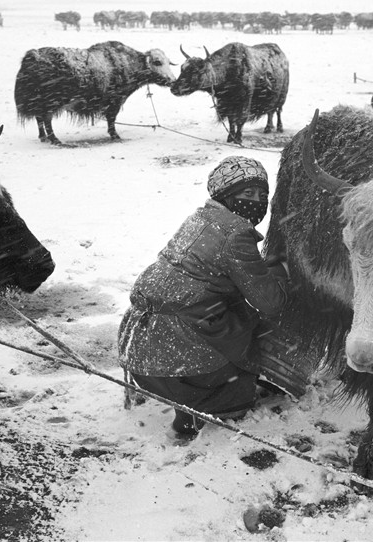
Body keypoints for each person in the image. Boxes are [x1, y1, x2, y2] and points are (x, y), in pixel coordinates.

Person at [118, 155, 289, 437]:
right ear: (226, 194)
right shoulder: (235, 234)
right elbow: (270, 303)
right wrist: (279, 265)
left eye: (262, 194)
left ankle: (177, 389)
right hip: (180, 362)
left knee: (221, 314)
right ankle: (194, 410)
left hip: (139, 353)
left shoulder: (200, 219)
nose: (256, 201)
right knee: (247, 359)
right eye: (247, 193)